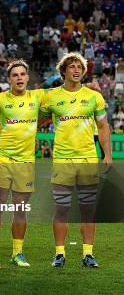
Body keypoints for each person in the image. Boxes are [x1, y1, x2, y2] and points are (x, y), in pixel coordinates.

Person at [39, 52, 112, 268]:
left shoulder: (94, 97)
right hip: (62, 160)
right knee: (61, 209)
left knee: (88, 209)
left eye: (80, 66)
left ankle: (88, 254)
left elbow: (103, 127)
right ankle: (59, 254)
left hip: (88, 159)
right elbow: (39, 120)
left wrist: (107, 154)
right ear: (63, 71)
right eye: (72, 66)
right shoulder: (51, 97)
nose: (77, 70)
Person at [0, 60, 42, 267]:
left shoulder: (38, 97)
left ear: (28, 77)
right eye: (15, 75)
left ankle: (17, 253)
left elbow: (64, 89)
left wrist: (89, 86)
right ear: (9, 79)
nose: (19, 78)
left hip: (26, 163)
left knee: (20, 210)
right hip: (2, 160)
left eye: (22, 74)